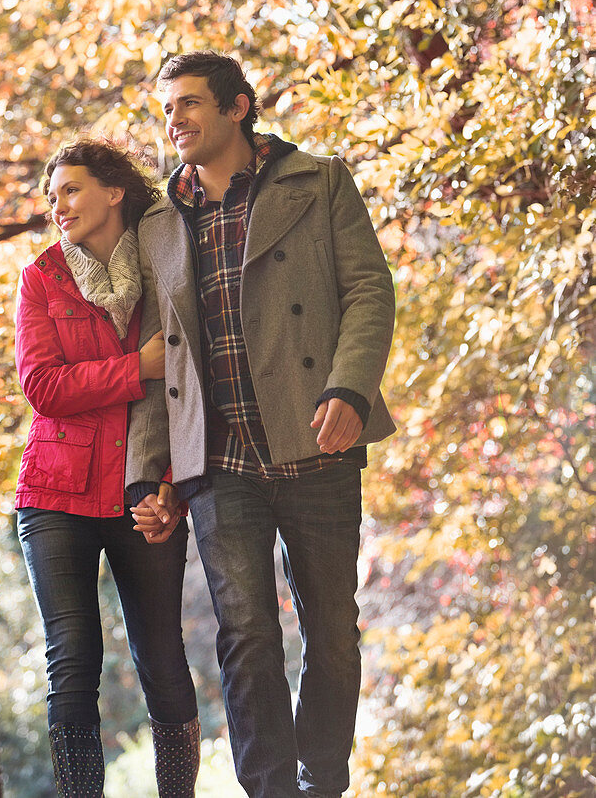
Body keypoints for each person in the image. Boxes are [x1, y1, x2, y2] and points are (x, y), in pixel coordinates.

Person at [126, 52, 396, 798]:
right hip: (221, 461)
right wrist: (149, 473)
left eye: (189, 105)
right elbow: (160, 359)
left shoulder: (320, 180)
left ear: (238, 106)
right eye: (167, 111)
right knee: (246, 637)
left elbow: (370, 290)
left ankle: (323, 781)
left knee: (334, 638)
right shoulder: (157, 225)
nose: (175, 121)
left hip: (318, 439)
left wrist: (351, 389)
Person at [14, 138, 200, 798]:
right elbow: (45, 388)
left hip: (142, 490)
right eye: (52, 196)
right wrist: (135, 368)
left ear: (114, 192)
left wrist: (171, 489)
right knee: (73, 659)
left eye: (70, 190)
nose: (58, 206)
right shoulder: (42, 277)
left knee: (161, 654)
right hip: (55, 494)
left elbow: (188, 394)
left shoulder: (166, 272)